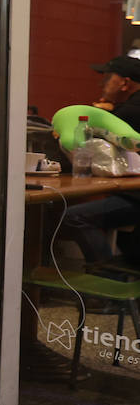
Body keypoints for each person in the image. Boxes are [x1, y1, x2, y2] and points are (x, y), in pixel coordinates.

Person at [60, 54, 140, 261]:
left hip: (136, 197)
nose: (102, 84)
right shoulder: (128, 109)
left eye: (107, 78)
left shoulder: (128, 112)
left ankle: (107, 280)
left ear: (125, 83)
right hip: (132, 191)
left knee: (74, 216)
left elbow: (86, 143)